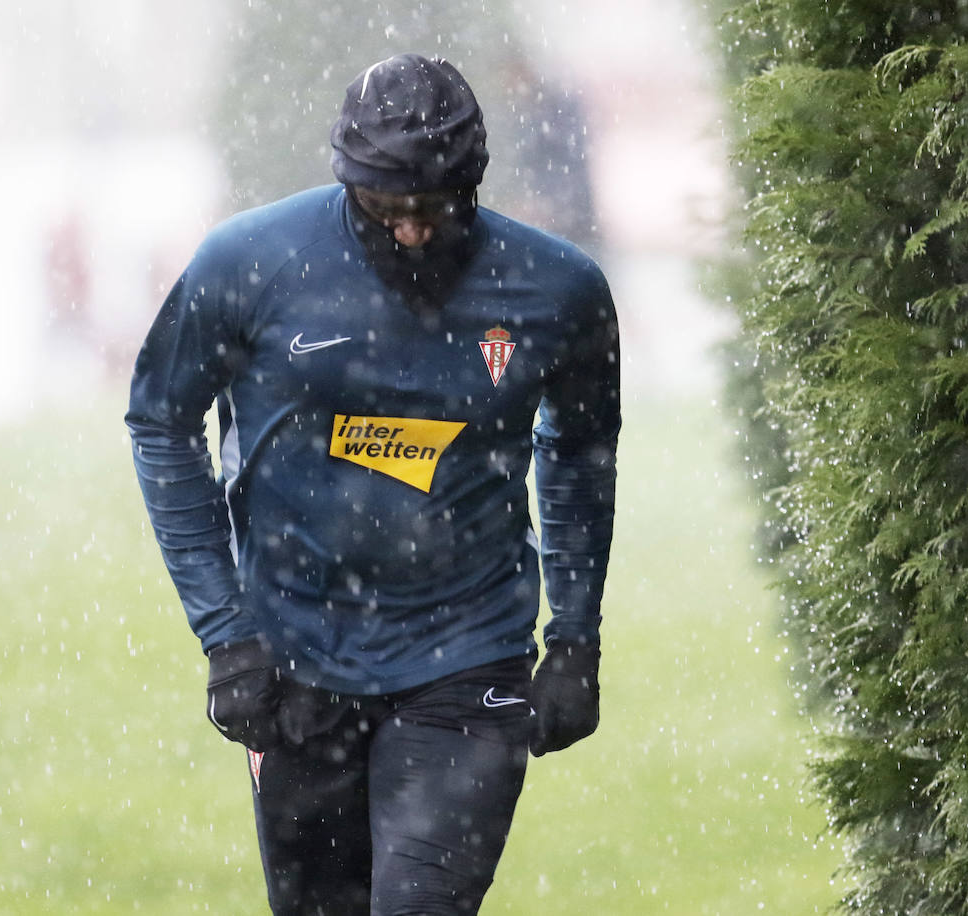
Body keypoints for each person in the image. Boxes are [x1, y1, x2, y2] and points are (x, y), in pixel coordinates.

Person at [126, 53, 620, 915]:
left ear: (474, 184)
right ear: (348, 183)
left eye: (435, 208)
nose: (413, 232)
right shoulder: (249, 263)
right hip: (295, 665)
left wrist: (576, 638)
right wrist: (225, 636)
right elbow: (161, 423)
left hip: (470, 657)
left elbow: (580, 449)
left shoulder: (559, 291)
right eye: (387, 209)